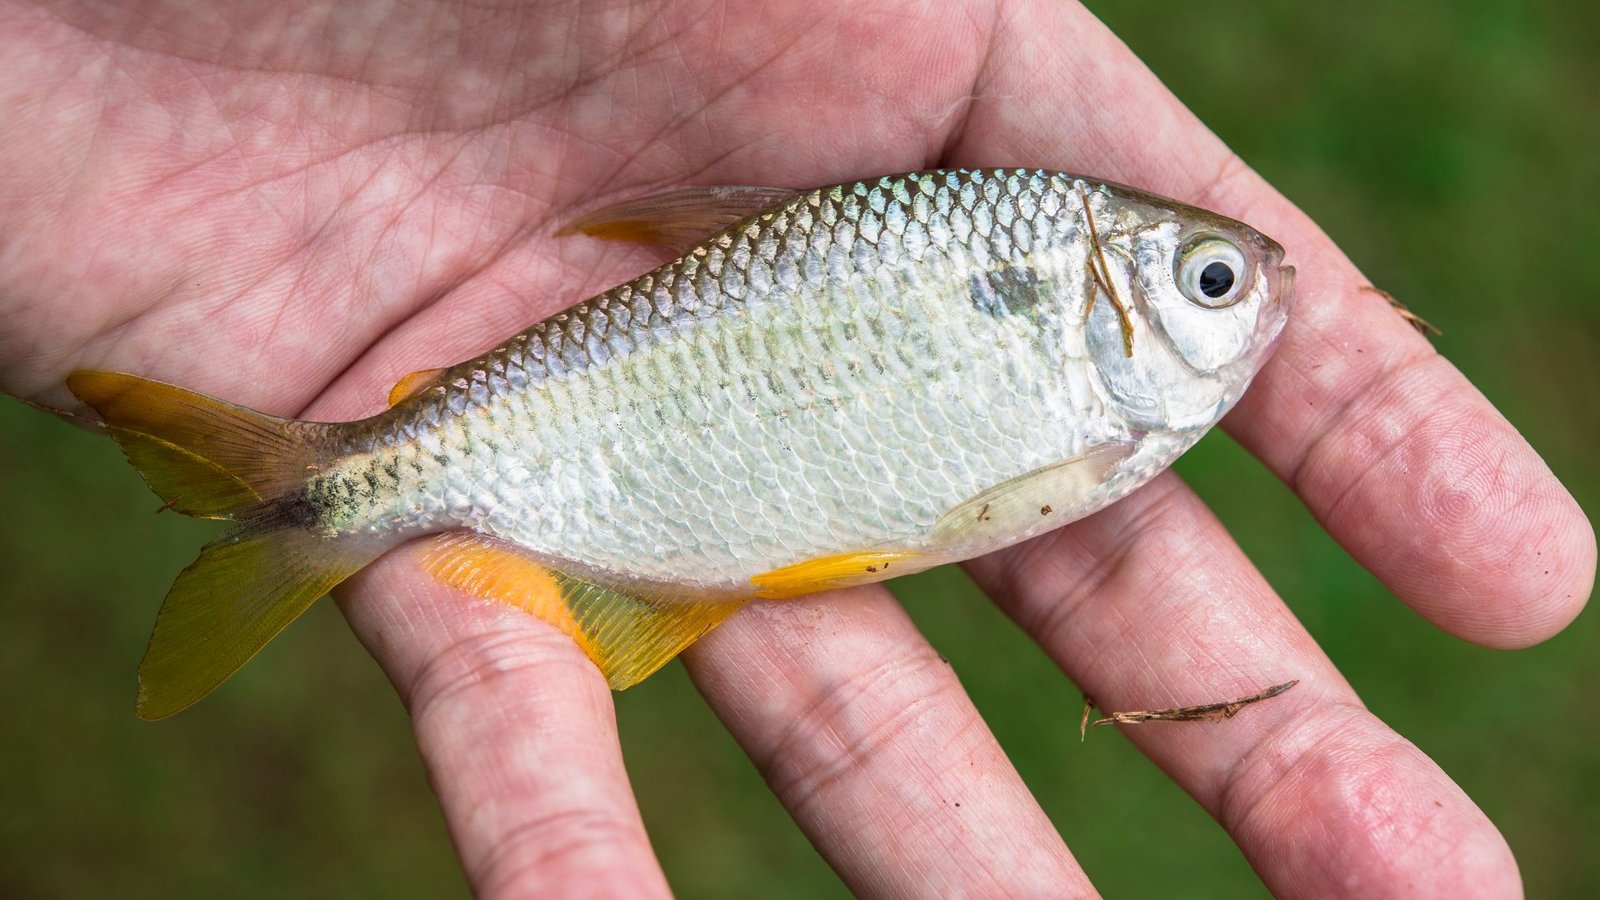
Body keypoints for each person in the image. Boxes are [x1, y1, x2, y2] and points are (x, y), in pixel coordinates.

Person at [0, 1, 1591, 896]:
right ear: (1108, 290)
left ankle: (324, 491)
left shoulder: (1087, 363)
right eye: (1215, 283)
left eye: (1220, 277)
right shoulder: (1091, 389)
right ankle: (323, 490)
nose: (1255, 301)